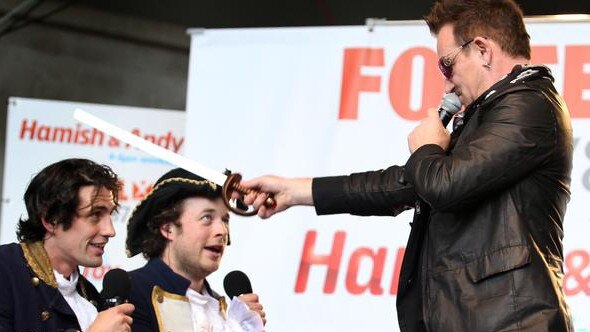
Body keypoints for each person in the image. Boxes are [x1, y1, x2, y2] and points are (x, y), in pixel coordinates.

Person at [237, 0, 574, 331]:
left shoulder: (529, 105)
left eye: (447, 64)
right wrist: (296, 191)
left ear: (483, 50)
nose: (447, 83)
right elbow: (408, 183)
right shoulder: (489, 113)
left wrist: (427, 146)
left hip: (511, 321)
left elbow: (444, 185)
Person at [0, 158, 134, 331]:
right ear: (51, 220)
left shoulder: (90, 295)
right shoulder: (5, 269)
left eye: (110, 215)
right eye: (95, 214)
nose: (110, 230)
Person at [125, 168, 266, 331]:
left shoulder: (215, 302)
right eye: (207, 218)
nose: (222, 230)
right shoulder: (134, 292)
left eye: (225, 220)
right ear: (168, 228)